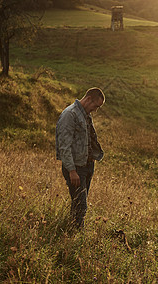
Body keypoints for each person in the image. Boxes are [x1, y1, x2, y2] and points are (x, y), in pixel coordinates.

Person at [56, 87, 105, 229]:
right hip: (76, 168)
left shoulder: (85, 114)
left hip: (87, 165)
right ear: (88, 99)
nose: (96, 110)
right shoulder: (69, 115)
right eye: (96, 106)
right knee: (81, 205)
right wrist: (72, 171)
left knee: (78, 203)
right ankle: (76, 234)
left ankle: (71, 229)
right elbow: (64, 145)